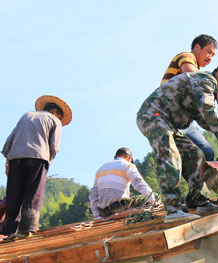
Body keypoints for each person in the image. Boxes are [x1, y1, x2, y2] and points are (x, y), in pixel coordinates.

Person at [137, 59, 218, 222]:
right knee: (169, 154)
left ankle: (199, 200)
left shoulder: (208, 88)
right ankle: (173, 209)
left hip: (169, 123)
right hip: (153, 116)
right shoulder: (206, 81)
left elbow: (202, 119)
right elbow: (207, 110)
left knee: (195, 155)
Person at [1, 95, 72, 240]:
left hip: (15, 158)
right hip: (38, 157)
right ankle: (27, 229)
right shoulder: (54, 121)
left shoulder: (26, 116)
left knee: (14, 195)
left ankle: (9, 231)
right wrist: (48, 162)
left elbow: (8, 142)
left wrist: (8, 162)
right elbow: (54, 146)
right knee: (33, 194)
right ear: (54, 111)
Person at [161, 34, 218, 162]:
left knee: (208, 152)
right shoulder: (187, 56)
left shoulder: (196, 68)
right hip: (167, 115)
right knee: (175, 158)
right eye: (208, 52)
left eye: (213, 56)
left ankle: (202, 181)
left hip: (183, 120)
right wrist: (213, 88)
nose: (210, 58)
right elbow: (193, 77)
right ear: (197, 47)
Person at [89, 147, 157, 218]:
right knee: (153, 196)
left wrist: (96, 215)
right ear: (129, 158)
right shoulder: (127, 165)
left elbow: (93, 195)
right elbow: (139, 183)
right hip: (118, 207)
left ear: (115, 157)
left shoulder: (100, 169)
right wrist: (152, 200)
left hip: (103, 212)